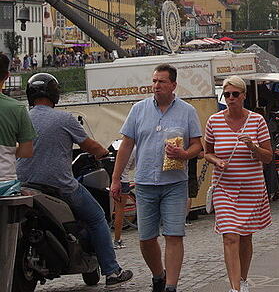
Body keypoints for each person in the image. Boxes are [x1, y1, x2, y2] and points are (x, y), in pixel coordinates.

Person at [16, 73, 134, 285]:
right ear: (54, 94)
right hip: (58, 186)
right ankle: (112, 271)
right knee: (97, 216)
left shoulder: (21, 118)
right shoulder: (64, 119)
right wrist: (103, 153)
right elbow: (92, 146)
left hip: (23, 184)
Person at [111, 64, 202, 292]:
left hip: (174, 183)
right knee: (146, 238)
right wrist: (115, 179)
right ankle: (158, 275)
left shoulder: (187, 111)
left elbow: (198, 146)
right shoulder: (138, 110)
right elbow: (126, 146)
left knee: (173, 235)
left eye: (161, 81)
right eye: (154, 81)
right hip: (145, 183)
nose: (156, 86)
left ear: (173, 85)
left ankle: (170, 286)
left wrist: (183, 154)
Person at [203, 76, 272, 292]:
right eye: (227, 94)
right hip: (224, 187)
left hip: (251, 187)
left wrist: (253, 146)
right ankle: (235, 289)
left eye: (235, 94)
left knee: (245, 236)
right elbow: (207, 153)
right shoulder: (214, 121)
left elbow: (268, 157)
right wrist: (217, 161)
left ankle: (242, 278)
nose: (231, 98)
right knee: (230, 235)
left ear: (243, 95)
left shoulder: (257, 121)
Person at [0, 52, 35, 183]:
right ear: (7, 76)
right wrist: (9, 150)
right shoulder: (17, 108)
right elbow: (26, 151)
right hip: (5, 182)